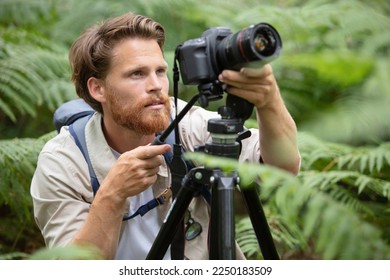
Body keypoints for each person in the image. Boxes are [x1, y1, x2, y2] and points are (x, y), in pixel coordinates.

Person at [30, 12, 300, 260]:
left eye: (160, 71)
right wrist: (112, 195)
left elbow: (283, 170)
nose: (156, 85)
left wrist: (269, 100)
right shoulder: (63, 162)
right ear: (97, 88)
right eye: (137, 74)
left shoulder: (186, 124)